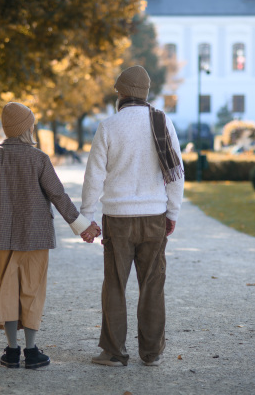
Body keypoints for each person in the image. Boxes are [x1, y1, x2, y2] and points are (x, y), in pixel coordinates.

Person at [0, 102, 100, 369]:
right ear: (26, 128)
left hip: (0, 237)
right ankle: (31, 352)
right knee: (31, 290)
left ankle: (11, 352)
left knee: (6, 291)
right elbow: (58, 195)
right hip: (35, 236)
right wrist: (81, 225)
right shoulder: (39, 158)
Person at [80, 65, 184, 367]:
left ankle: (114, 352)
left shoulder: (109, 126)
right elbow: (176, 174)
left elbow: (93, 177)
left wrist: (88, 217)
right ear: (146, 93)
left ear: (121, 93)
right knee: (153, 284)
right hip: (154, 217)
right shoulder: (163, 123)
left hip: (118, 218)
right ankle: (151, 353)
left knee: (114, 283)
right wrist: (172, 212)